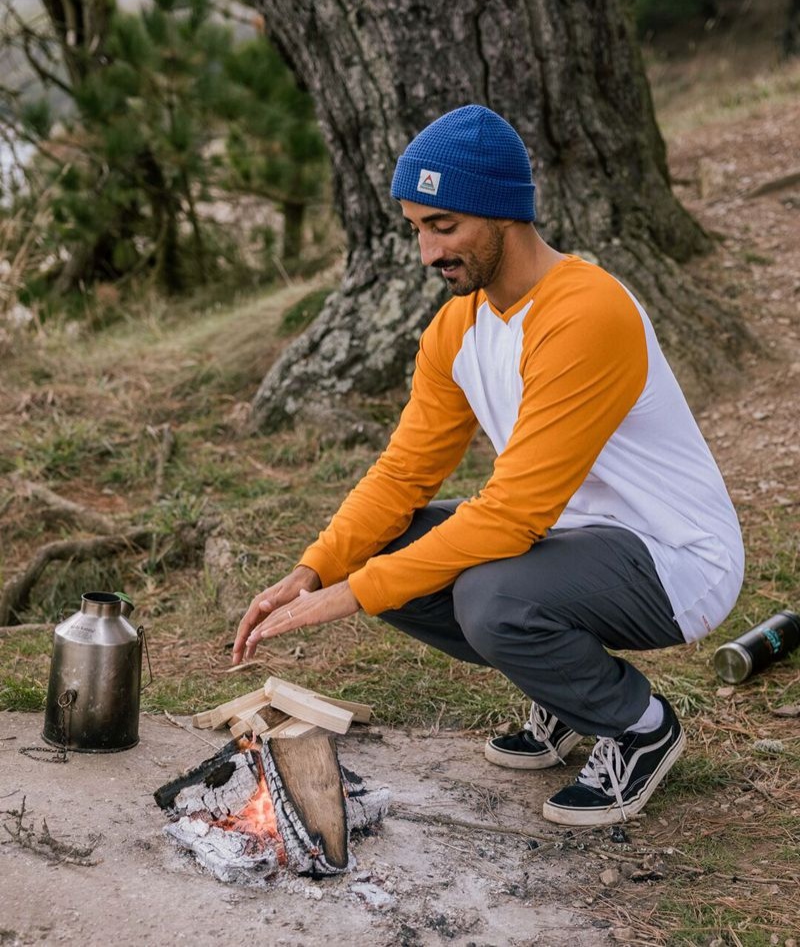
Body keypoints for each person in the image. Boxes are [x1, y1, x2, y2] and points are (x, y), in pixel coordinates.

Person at [232, 105, 744, 826]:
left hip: (673, 558)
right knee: (387, 546)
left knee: (491, 598)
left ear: (504, 211)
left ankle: (637, 726)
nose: (426, 253)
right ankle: (567, 696)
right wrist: (315, 570)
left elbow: (512, 515)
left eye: (444, 226)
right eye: (416, 228)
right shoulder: (458, 327)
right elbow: (402, 475)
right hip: (568, 545)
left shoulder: (585, 310)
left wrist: (353, 596)